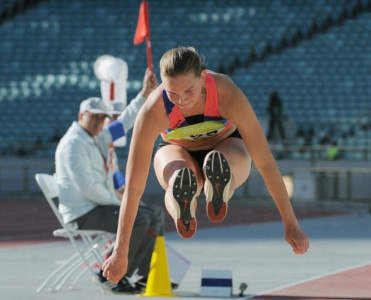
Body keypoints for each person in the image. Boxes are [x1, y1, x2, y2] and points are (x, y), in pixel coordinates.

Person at [102, 46, 310, 284]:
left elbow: (265, 162)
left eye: (189, 91)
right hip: (177, 150)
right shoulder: (153, 109)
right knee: (177, 174)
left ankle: (218, 185)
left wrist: (291, 223)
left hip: (225, 146)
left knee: (234, 160)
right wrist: (120, 251)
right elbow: (134, 188)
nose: (182, 101)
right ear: (162, 85)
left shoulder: (226, 92)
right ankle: (188, 200)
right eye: (172, 93)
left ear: (203, 76)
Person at [55, 68, 164, 293]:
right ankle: (114, 275)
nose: (98, 121)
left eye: (102, 117)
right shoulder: (73, 144)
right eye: (93, 116)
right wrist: (121, 202)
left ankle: (143, 276)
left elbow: (124, 122)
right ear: (80, 116)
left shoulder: (98, 137)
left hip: (97, 206)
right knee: (138, 218)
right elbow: (88, 188)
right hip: (83, 214)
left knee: (155, 214)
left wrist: (144, 94)